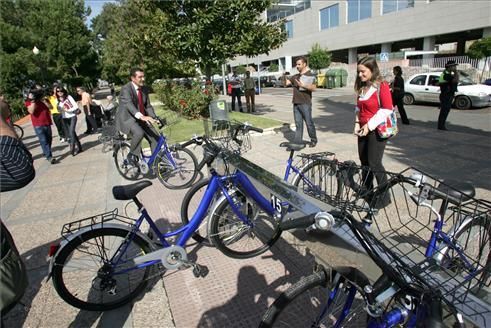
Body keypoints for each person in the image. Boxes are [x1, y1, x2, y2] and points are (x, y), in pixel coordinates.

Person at [353, 56, 393, 208]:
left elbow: (387, 109)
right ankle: (367, 192)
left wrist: (369, 126)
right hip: (362, 129)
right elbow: (358, 108)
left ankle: (384, 197)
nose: (360, 75)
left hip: (376, 131)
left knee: (375, 163)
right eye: (358, 72)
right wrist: (357, 123)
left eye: (363, 72)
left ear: (372, 69)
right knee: (364, 162)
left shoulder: (381, 86)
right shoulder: (363, 87)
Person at [116, 67, 158, 165]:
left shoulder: (144, 89)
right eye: (140, 77)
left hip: (141, 118)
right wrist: (142, 116)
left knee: (156, 138)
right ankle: (131, 155)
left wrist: (154, 117)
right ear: (133, 78)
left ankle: (156, 163)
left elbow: (147, 106)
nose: (143, 79)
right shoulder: (126, 89)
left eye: (143, 76)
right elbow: (129, 105)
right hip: (128, 118)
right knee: (139, 132)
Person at [285, 56, 317, 147]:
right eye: (296, 64)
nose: (297, 66)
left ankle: (313, 140)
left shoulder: (310, 75)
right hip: (296, 103)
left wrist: (304, 85)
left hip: (305, 103)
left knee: (309, 123)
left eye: (299, 64)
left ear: (304, 64)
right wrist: (285, 76)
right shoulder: (295, 76)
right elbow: (286, 83)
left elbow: (314, 88)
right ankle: (298, 140)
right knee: (298, 124)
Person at [25, 86, 56, 164]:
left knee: (49, 139)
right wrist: (33, 101)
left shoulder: (44, 99)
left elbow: (51, 107)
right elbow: (31, 111)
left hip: (47, 122)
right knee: (43, 140)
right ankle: (49, 157)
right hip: (38, 124)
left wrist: (44, 101)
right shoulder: (29, 102)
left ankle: (46, 152)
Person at [57, 87, 82, 156]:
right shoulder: (58, 100)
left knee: (71, 132)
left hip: (72, 116)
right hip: (65, 118)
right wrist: (60, 108)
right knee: (72, 132)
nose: (59, 92)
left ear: (64, 91)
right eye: (58, 91)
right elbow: (59, 110)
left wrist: (66, 109)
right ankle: (79, 147)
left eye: (61, 91)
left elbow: (75, 107)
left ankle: (72, 147)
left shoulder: (68, 97)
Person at [437, 60, 459, 131]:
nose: (455, 67)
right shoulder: (446, 74)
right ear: (449, 67)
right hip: (446, 95)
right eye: (454, 66)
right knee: (444, 111)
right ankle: (441, 126)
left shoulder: (448, 73)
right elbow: (454, 80)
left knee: (445, 110)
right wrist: (455, 73)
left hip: (448, 94)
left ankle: (441, 125)